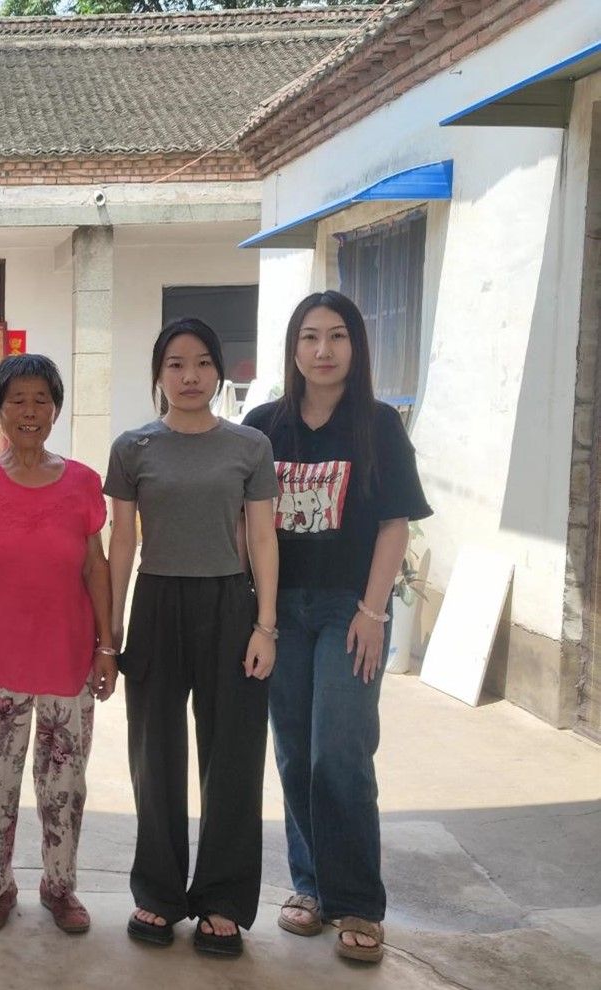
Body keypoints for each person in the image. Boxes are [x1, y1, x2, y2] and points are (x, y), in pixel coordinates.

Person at [243, 290, 431, 964]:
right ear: (293, 349)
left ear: (356, 346)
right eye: (310, 337)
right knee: (294, 750)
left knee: (339, 750)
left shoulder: (378, 426)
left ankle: (357, 901)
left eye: (338, 336)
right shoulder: (264, 426)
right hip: (281, 610)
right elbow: (247, 524)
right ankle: (311, 887)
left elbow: (394, 524)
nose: (324, 350)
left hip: (349, 609)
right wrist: (260, 618)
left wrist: (373, 613)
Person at [105, 318, 279, 956]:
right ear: (158, 373)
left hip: (231, 603)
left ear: (219, 371)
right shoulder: (133, 448)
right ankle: (158, 892)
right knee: (154, 753)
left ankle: (222, 900)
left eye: (203, 362)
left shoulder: (249, 446)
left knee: (232, 755)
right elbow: (122, 542)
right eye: (175, 364)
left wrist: (266, 626)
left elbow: (262, 537)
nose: (190, 376)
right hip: (156, 603)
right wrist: (110, 631)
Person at [0, 354, 116, 934]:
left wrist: (107, 646)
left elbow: (95, 568)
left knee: (65, 785)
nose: (30, 411)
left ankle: (60, 888)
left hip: (67, 657)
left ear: (56, 409)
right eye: (17, 400)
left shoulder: (83, 483)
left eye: (42, 400)